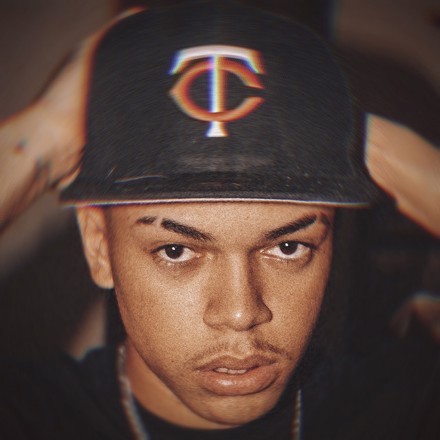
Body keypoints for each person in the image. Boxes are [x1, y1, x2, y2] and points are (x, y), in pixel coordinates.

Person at [0, 1, 438, 439]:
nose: (241, 313)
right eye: (176, 251)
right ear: (98, 246)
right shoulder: (34, 418)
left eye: (288, 247)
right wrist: (43, 140)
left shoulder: (397, 412)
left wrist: (350, 134)